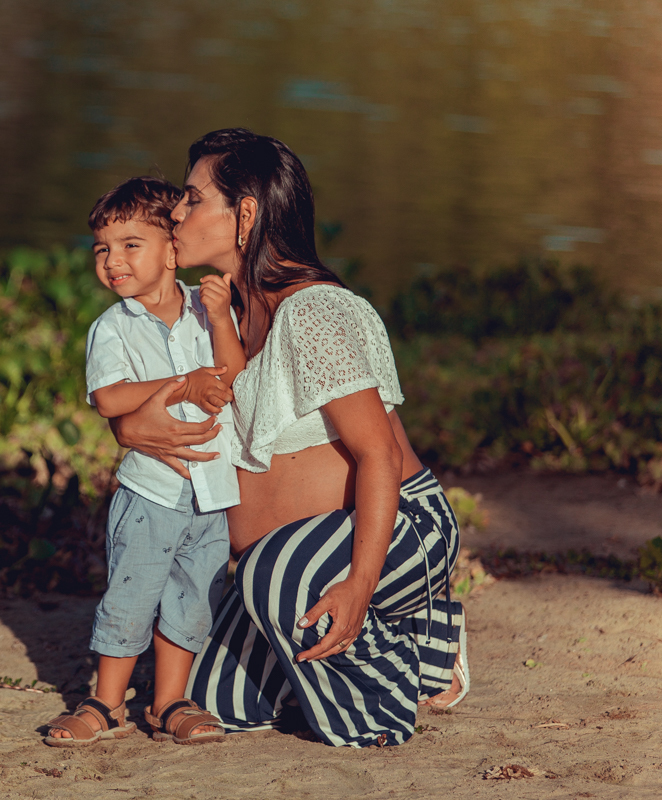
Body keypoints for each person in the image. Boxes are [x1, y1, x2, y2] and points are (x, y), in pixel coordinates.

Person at [111, 129, 469, 748]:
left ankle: (406, 661)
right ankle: (414, 633)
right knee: (215, 696)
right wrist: (128, 425)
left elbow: (377, 454)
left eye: (193, 200)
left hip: (400, 526)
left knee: (276, 583)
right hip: (280, 559)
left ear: (245, 214)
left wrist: (358, 586)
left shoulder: (314, 312)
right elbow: (146, 408)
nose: (175, 213)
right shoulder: (208, 315)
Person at [43, 176, 243, 747]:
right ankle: (106, 704)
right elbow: (110, 398)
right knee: (131, 595)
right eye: (103, 248)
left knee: (193, 597)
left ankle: (169, 701)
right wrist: (184, 384)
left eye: (132, 244)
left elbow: (231, 373)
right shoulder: (112, 327)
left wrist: (224, 318)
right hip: (150, 490)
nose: (113, 261)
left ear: (173, 250)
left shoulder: (206, 314)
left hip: (211, 492)